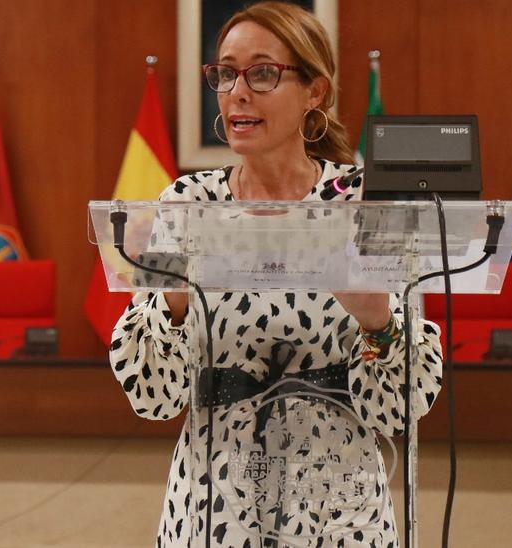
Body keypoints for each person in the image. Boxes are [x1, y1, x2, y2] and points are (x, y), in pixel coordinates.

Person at [109, 3, 443, 547]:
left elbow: (400, 407)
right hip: (212, 506)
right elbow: (153, 396)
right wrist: (171, 302)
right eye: (225, 73)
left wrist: (378, 321)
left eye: (262, 73)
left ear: (315, 91)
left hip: (341, 507)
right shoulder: (187, 203)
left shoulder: (361, 201)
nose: (237, 91)